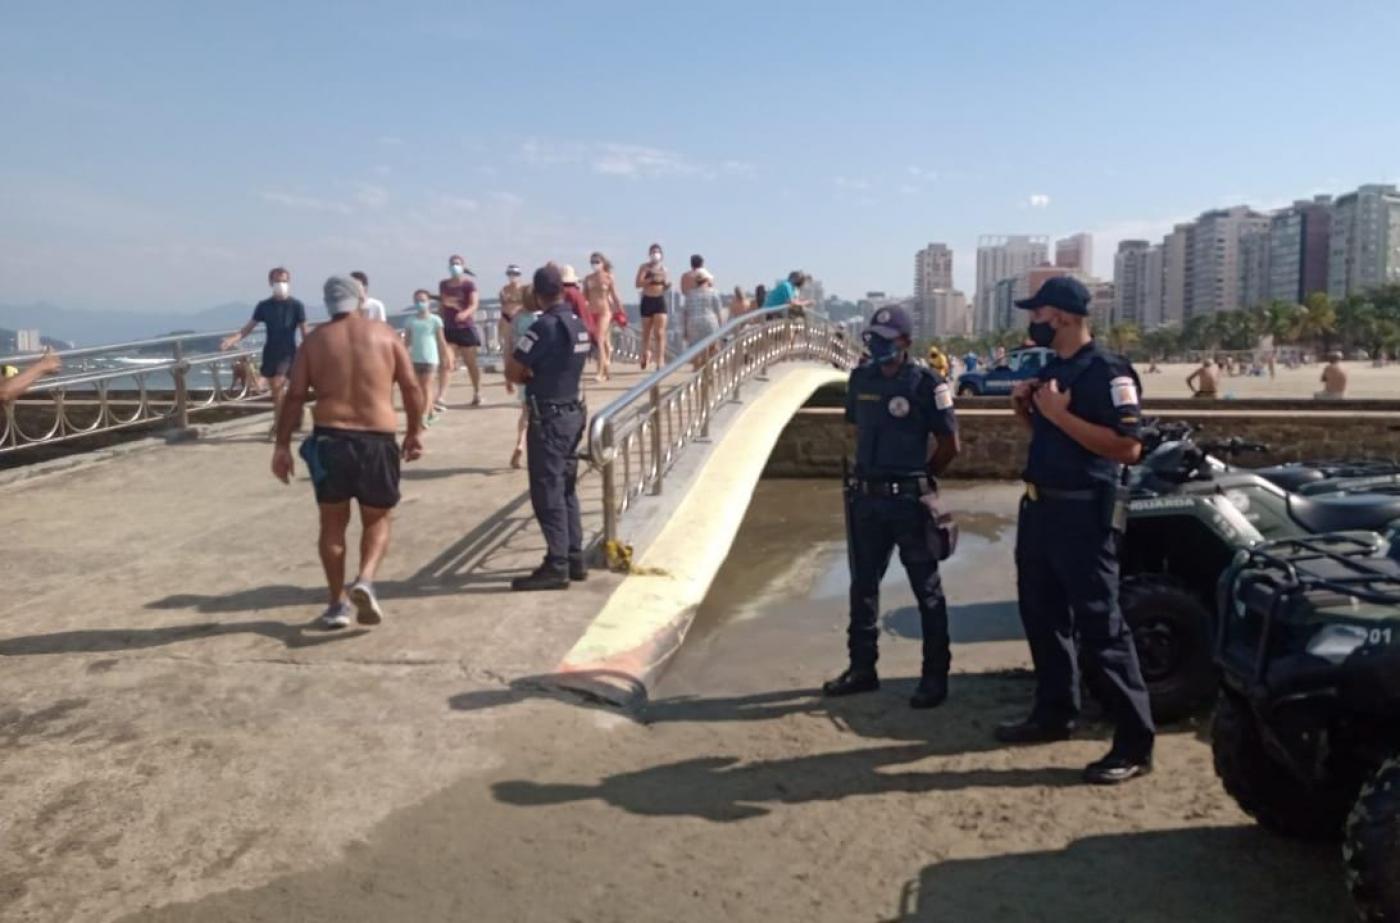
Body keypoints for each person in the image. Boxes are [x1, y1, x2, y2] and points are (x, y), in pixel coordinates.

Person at [1001, 276, 1155, 785]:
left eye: (1037, 313)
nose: (1032, 322)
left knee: (1101, 627)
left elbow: (1128, 448)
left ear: (1061, 317)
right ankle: (1054, 712)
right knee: (1042, 616)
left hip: (1084, 515)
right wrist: (1031, 412)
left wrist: (1059, 415)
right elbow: (1050, 437)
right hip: (1041, 508)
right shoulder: (1055, 370)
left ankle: (1134, 743)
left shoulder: (1108, 371)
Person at [823, 305, 960, 709]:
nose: (878, 346)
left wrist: (921, 479)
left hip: (909, 502)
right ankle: (862, 669)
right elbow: (858, 429)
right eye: (874, 338)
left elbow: (951, 445)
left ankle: (935, 677)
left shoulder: (925, 384)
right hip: (867, 499)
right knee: (863, 586)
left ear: (904, 342)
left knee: (926, 591)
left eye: (886, 339)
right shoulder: (860, 379)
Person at [272, 276, 425, 630]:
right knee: (377, 518)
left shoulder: (315, 340)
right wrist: (415, 431)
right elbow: (411, 386)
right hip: (377, 439)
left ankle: (336, 604)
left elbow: (294, 395)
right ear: (360, 299)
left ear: (327, 304)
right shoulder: (385, 335)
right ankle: (366, 579)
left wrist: (282, 446)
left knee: (332, 523)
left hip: (330, 441)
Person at [506, 265, 592, 590]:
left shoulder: (544, 327)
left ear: (539, 294)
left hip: (550, 418)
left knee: (548, 490)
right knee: (567, 487)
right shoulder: (578, 324)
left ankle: (556, 564)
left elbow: (514, 371)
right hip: (573, 411)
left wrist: (529, 372)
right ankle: (574, 557)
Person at [222, 266, 308, 438]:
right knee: (277, 393)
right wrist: (232, 339)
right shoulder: (264, 306)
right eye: (277, 281)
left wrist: (315, 349)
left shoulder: (296, 306)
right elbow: (247, 328)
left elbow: (305, 331)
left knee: (280, 387)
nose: (281, 284)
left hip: (289, 353)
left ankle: (279, 426)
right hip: (270, 353)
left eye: (284, 281)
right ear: (270, 283)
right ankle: (289, 418)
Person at [439, 254, 482, 406]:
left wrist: (465, 313)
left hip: (465, 328)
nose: (454, 266)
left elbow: (474, 304)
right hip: (449, 328)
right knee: (447, 362)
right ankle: (441, 397)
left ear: (463, 266)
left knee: (471, 364)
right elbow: (442, 305)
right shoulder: (444, 284)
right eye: (452, 263)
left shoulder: (468, 284)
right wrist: (439, 322)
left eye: (457, 263)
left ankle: (477, 391)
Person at [507, 285, 543, 468]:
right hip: (539, 369)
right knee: (541, 412)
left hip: (520, 368)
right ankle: (537, 449)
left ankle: (520, 443)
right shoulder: (540, 319)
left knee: (525, 411)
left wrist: (508, 377)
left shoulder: (516, 319)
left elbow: (510, 345)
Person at [404, 289, 449, 426]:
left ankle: (423, 417)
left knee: (426, 387)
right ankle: (431, 414)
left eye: (423, 300)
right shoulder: (410, 321)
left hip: (431, 358)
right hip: (416, 358)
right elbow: (407, 341)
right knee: (419, 389)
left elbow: (441, 340)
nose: (420, 303)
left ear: (429, 302)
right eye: (417, 301)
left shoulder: (435, 320)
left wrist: (445, 356)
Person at [584, 252, 623, 382]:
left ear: (603, 262)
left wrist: (621, 310)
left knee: (599, 339)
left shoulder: (608, 277)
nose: (595, 264)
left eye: (597, 261)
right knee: (604, 342)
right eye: (592, 261)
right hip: (592, 312)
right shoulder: (588, 279)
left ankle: (599, 372)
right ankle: (606, 370)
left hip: (605, 312)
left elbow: (614, 295)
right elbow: (584, 297)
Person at [635, 243, 670, 370]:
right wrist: (650, 279)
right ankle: (645, 353)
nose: (655, 254)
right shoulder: (644, 267)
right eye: (653, 252)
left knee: (660, 332)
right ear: (649, 254)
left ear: (661, 255)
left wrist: (666, 284)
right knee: (647, 332)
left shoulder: (664, 269)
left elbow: (666, 285)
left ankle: (660, 360)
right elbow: (638, 283)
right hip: (647, 300)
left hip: (659, 300)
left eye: (657, 252)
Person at [682, 268, 726, 368]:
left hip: (693, 324)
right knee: (711, 348)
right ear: (707, 280)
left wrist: (685, 331)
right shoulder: (713, 292)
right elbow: (718, 312)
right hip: (709, 322)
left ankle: (697, 372)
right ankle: (707, 373)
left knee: (696, 350)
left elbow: (685, 313)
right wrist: (721, 327)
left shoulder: (690, 294)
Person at [499, 265, 526, 393]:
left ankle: (521, 375)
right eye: (510, 273)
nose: (512, 276)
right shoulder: (504, 290)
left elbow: (527, 305)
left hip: (519, 320)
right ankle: (508, 379)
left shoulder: (524, 289)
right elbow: (503, 306)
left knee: (521, 349)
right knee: (507, 351)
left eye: (515, 274)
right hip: (506, 319)